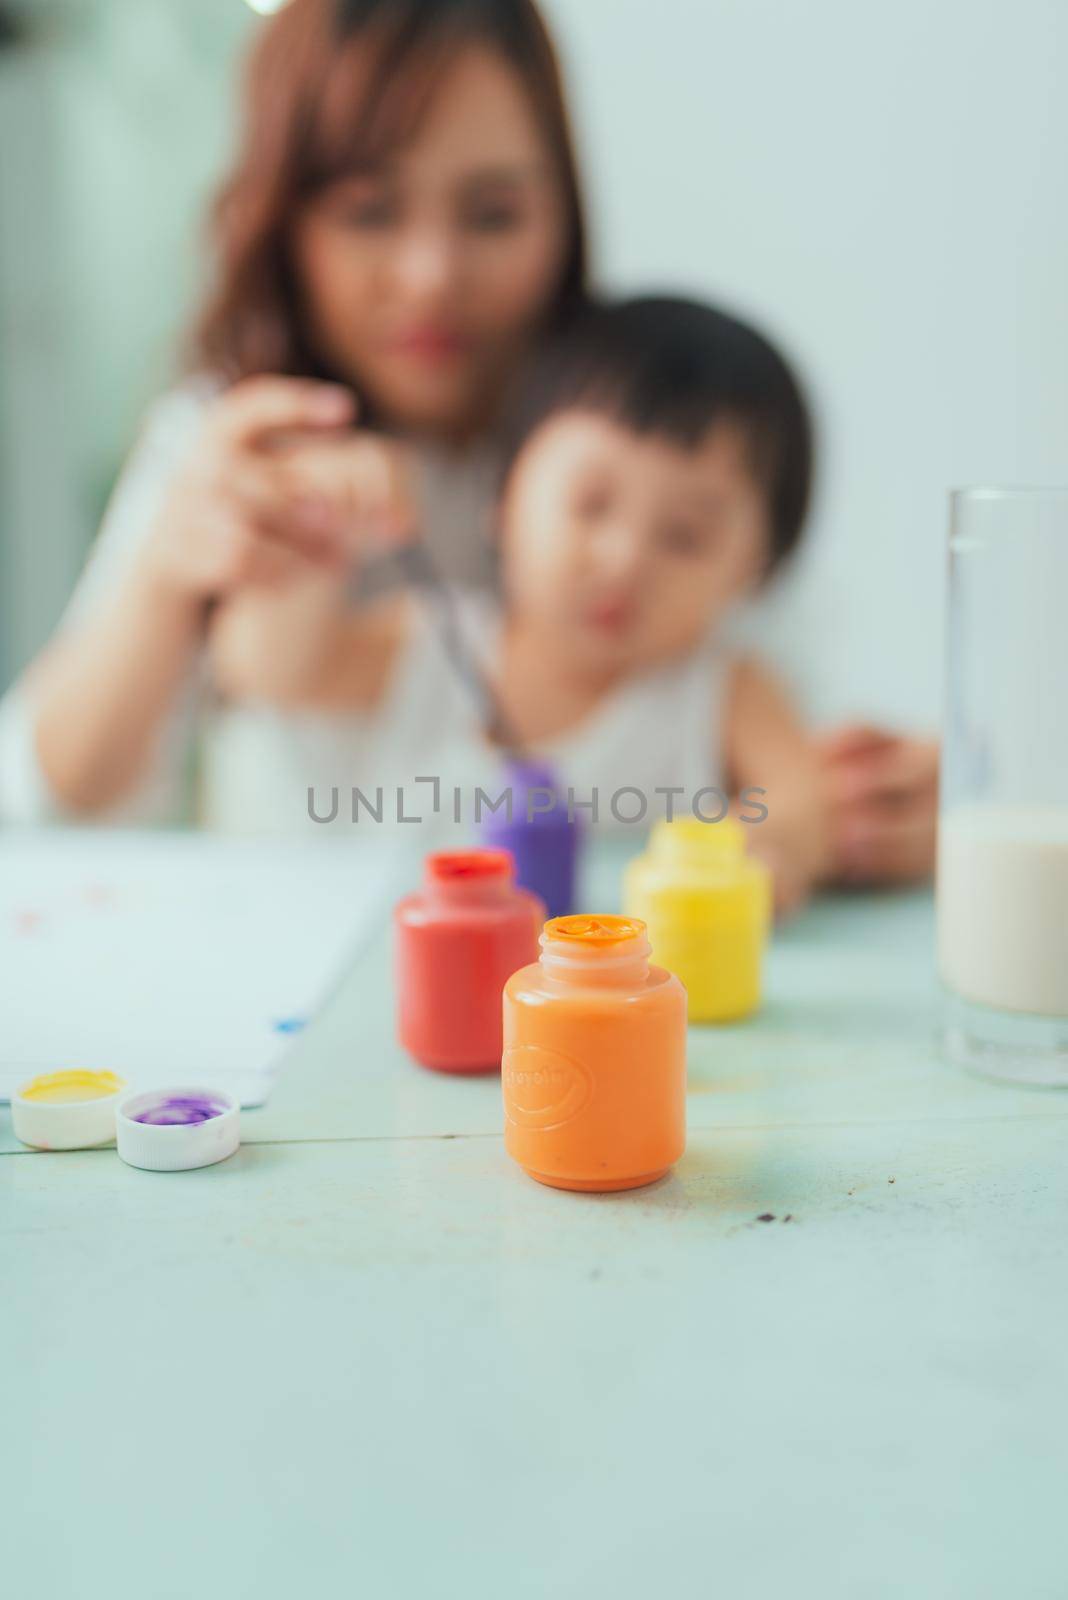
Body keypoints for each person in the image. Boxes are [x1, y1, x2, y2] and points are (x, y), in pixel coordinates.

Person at [0, 0, 937, 883]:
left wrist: (874, 815)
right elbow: (52, 797)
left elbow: (782, 757)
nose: (430, 275)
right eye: (370, 211)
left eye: (492, 214)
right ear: (286, 222)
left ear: (562, 208)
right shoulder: (231, 444)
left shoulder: (635, 427)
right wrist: (173, 570)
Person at [209, 296, 835, 913]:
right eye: (591, 504)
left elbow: (801, 803)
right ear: (504, 500)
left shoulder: (725, 692)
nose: (624, 559)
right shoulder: (424, 640)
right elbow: (266, 671)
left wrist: (772, 849)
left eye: (685, 535)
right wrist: (317, 533)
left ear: (757, 571)